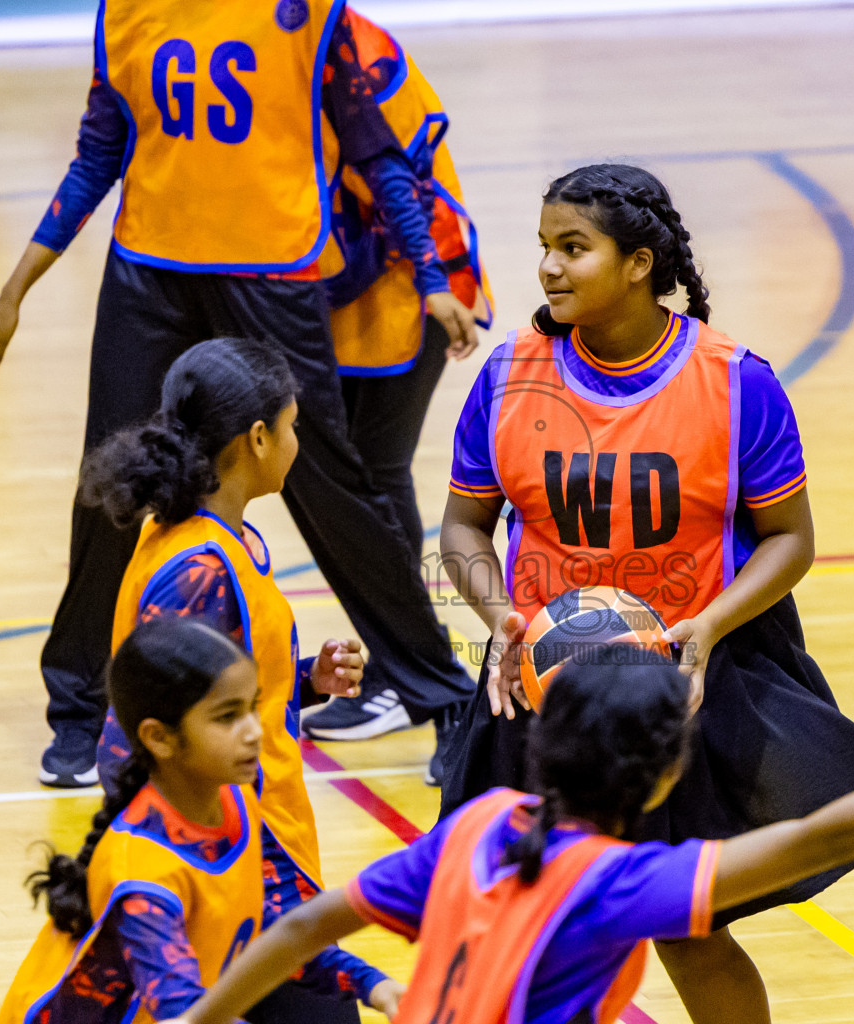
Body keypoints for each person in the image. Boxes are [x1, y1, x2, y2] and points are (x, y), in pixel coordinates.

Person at [436, 162, 854, 1022]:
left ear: (639, 263)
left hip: (686, 685)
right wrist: (501, 620)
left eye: (572, 248)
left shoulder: (736, 382)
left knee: (689, 930)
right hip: (542, 691)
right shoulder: (509, 376)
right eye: (544, 247)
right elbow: (463, 529)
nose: (548, 268)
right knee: (525, 925)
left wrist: (708, 625)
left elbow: (791, 543)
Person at [0, 0, 477, 790]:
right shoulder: (124, 13)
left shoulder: (310, 16)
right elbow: (98, 155)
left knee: (328, 483)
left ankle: (441, 696)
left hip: (272, 267)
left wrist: (433, 281)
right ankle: (76, 709)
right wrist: (14, 289)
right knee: (112, 483)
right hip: (149, 270)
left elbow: (379, 156)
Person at [153, 646, 854, 1024]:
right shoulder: (615, 883)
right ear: (668, 772)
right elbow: (821, 833)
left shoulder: (480, 822)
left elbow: (297, 932)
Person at [77, 336, 393, 1022]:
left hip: (262, 859)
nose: (296, 441)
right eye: (292, 427)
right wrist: (243, 878)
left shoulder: (221, 538)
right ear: (256, 438)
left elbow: (205, 691)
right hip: (237, 868)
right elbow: (144, 731)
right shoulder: (197, 568)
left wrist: (304, 681)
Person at [0, 616, 403, 1024]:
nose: (254, 732)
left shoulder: (234, 800)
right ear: (159, 737)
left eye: (252, 707)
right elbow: (184, 1013)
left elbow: (270, 925)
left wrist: (373, 983)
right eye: (227, 717)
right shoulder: (143, 874)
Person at [300, 10, 494, 786]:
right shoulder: (250, 41)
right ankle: (399, 671)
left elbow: (401, 181)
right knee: (345, 482)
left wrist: (431, 282)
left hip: (409, 289)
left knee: (371, 475)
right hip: (328, 298)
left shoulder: (358, 48)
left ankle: (429, 685)